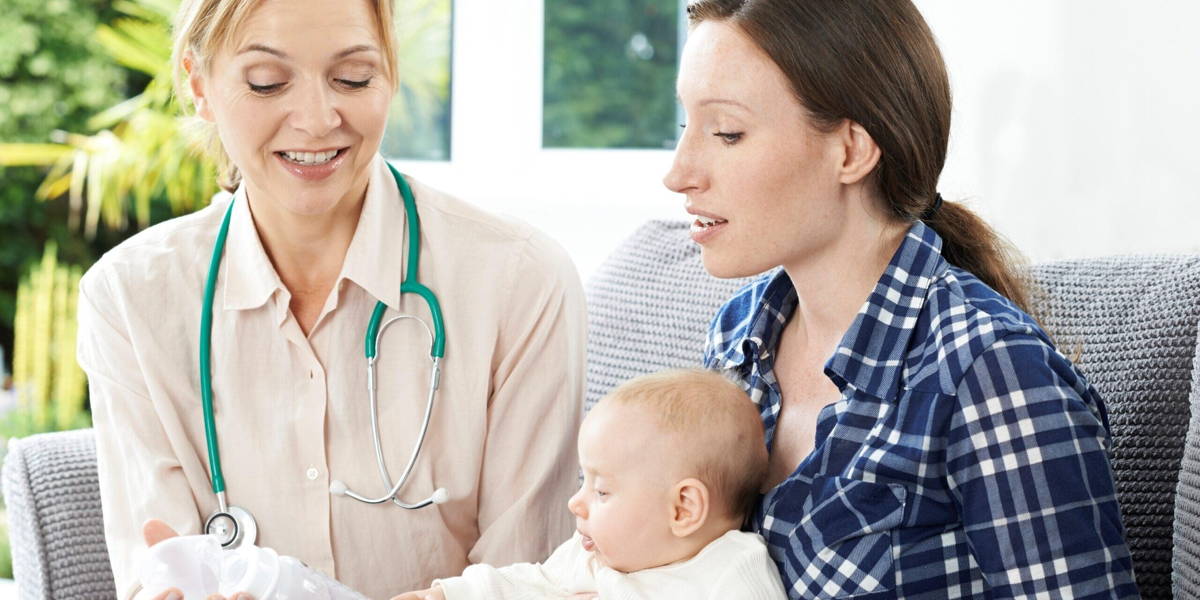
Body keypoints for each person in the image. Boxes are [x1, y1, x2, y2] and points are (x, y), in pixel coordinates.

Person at [76, 0, 586, 598]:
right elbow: (162, 569)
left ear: (390, 73)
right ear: (199, 85)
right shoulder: (131, 298)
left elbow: (528, 580)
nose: (318, 120)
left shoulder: (520, 282)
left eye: (353, 78)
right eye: (267, 82)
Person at [663, 1, 1139, 598]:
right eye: (685, 126)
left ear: (851, 151)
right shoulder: (739, 338)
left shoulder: (991, 372)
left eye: (727, 133)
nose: (678, 173)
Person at [394, 369, 787, 600]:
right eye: (585, 482)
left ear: (683, 508)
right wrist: (447, 594)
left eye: (602, 492)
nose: (575, 504)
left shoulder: (732, 573)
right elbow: (529, 584)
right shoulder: (590, 555)